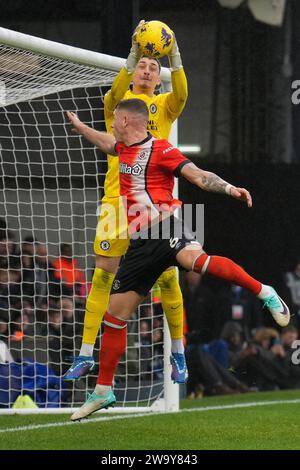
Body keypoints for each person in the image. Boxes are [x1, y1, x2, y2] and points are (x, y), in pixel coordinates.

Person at [66, 98, 290, 420]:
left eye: (116, 118)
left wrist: (230, 189)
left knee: (197, 262)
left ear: (128, 121)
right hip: (140, 244)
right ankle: (103, 390)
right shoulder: (123, 148)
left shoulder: (161, 149)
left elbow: (198, 176)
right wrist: (81, 127)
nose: (112, 122)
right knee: (114, 317)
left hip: (165, 225)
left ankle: (264, 291)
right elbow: (106, 143)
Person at [64, 20, 189, 384]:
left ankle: (178, 352)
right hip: (116, 202)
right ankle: (85, 353)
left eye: (155, 66)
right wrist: (135, 51)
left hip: (156, 205)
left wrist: (175, 52)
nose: (149, 70)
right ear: (134, 72)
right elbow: (118, 87)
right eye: (143, 66)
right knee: (102, 275)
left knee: (168, 277)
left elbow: (181, 93)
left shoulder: (164, 106)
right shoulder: (115, 105)